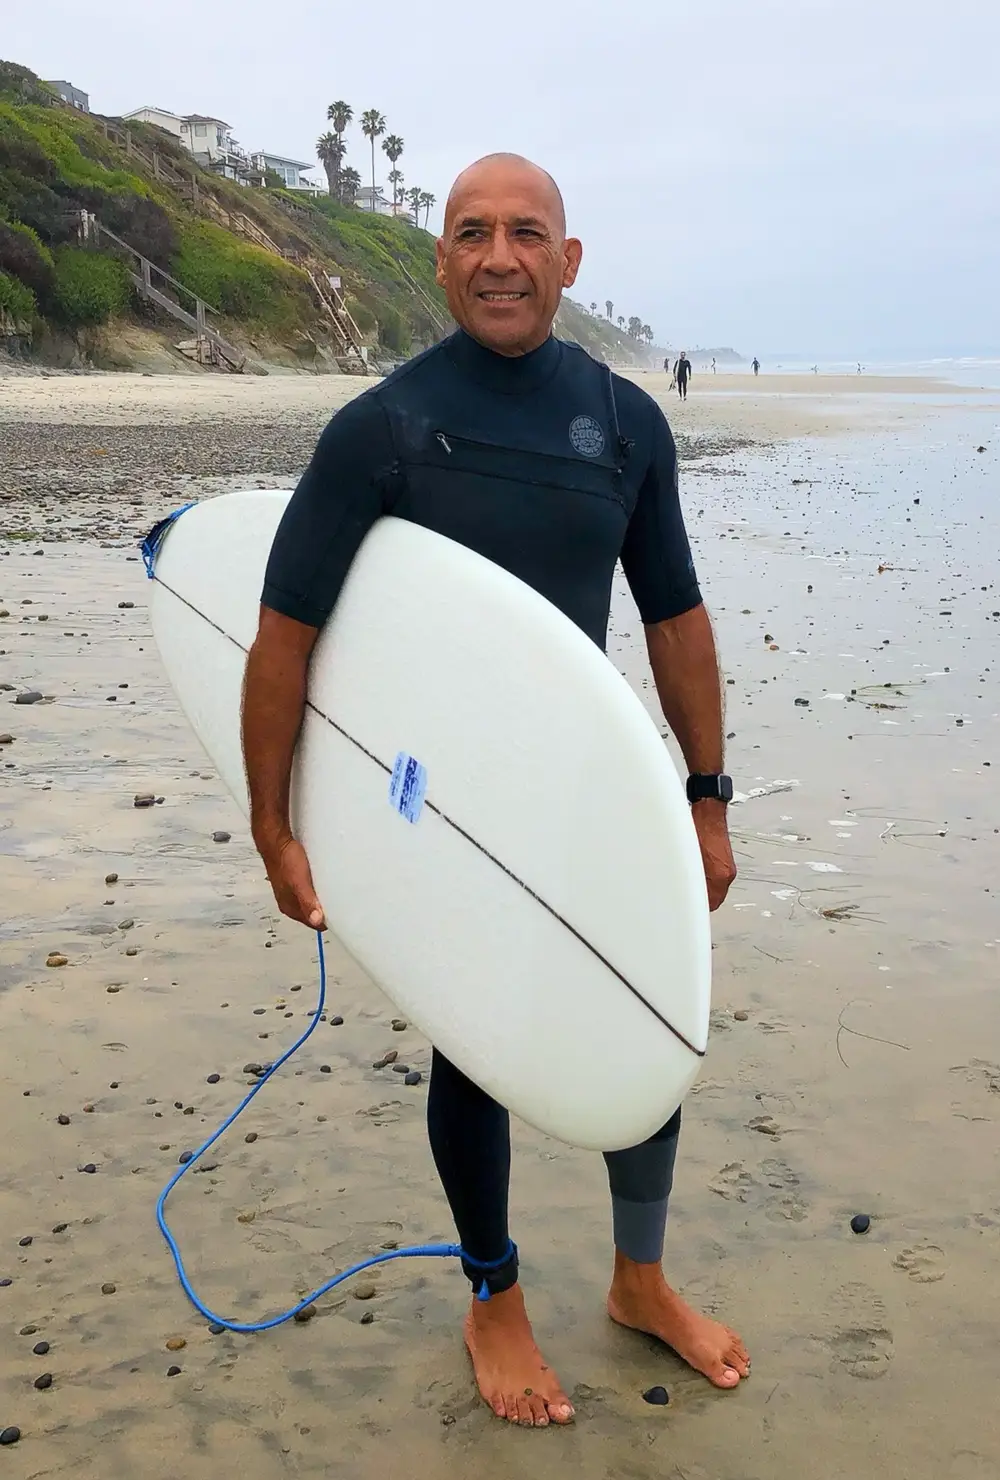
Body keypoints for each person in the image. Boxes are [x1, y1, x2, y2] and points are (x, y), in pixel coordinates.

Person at [242, 153, 747, 1429]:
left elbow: (675, 618)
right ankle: (492, 1292)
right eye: (471, 233)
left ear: (569, 263)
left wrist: (705, 798)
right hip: (444, 806)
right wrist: (275, 821)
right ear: (440, 259)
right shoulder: (382, 429)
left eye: (527, 233)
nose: (499, 256)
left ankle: (639, 1276)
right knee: (477, 1041)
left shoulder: (626, 421)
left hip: (587, 783)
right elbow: (283, 634)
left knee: (652, 1011)